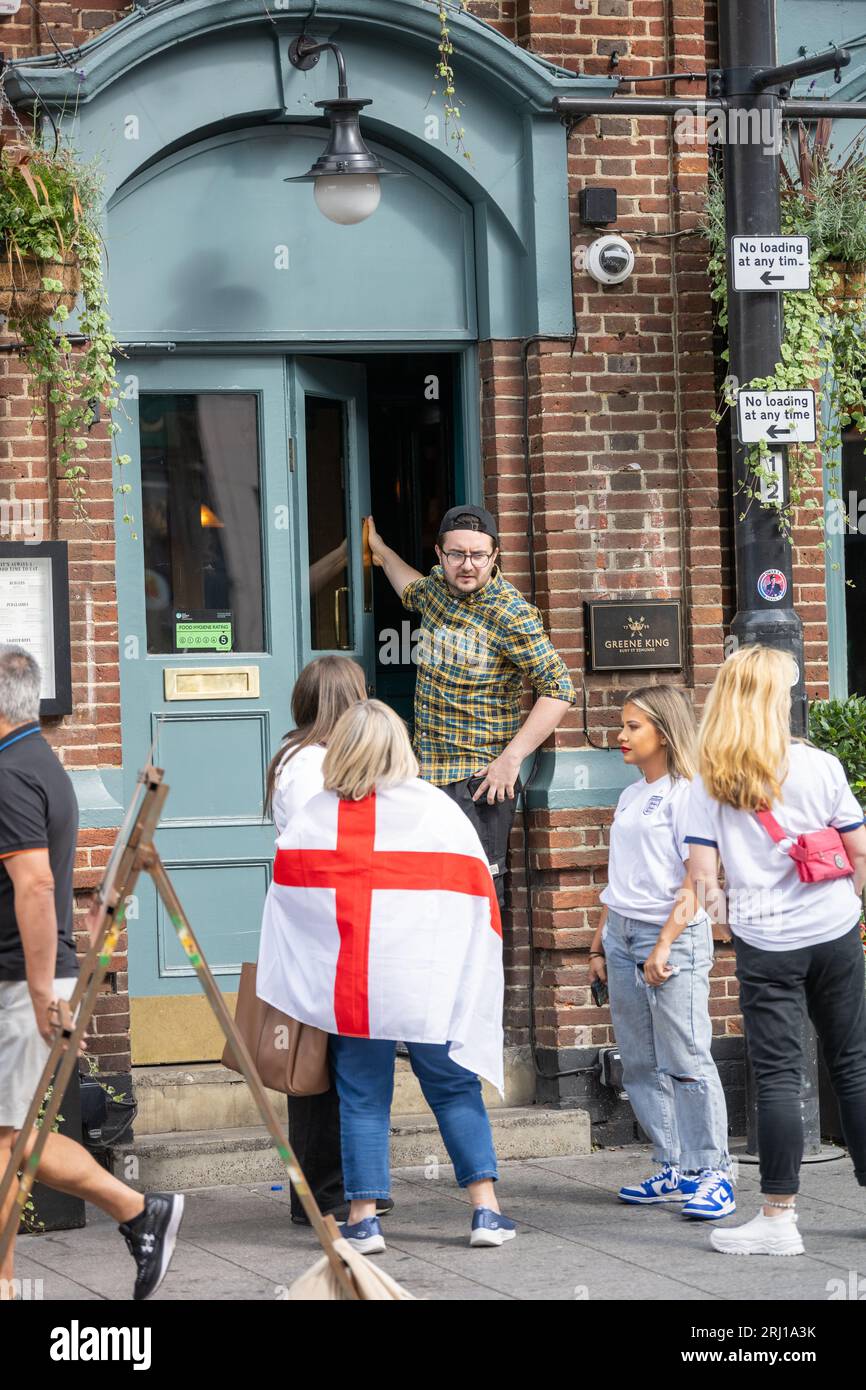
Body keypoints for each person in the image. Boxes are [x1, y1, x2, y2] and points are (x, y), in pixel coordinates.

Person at [257, 699, 515, 1253]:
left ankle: (364, 1217)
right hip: (427, 980)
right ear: (401, 747)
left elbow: (288, 897)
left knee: (362, 1096)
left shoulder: (316, 816)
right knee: (452, 1087)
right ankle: (485, 1212)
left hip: (357, 983)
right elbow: (476, 897)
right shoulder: (439, 812)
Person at [0, 646, 183, 1301]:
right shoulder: (35, 761)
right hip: (25, 980)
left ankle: (136, 1212)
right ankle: (139, 1213)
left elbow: (35, 884)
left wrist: (43, 989)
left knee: (8, 1143)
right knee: (18, 1140)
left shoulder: (11, 774)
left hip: (20, 984)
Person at [685, 645, 866, 1256]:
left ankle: (779, 1217)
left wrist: (732, 925)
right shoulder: (821, 766)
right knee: (854, 1066)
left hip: (767, 944)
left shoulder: (709, 781)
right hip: (835, 932)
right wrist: (852, 910)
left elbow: (704, 881)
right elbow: (859, 851)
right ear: (775, 700)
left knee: (779, 1078)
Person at [365, 505, 576, 909]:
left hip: (478, 784)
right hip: (425, 777)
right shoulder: (437, 592)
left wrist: (511, 760)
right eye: (457, 554)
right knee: (429, 895)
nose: (467, 565)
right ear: (440, 557)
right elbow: (409, 586)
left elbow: (558, 687)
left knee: (476, 897)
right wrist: (381, 551)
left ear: (494, 555)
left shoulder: (511, 613)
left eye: (478, 555)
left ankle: (482, 975)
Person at [589, 686, 734, 1219]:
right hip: (622, 934)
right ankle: (673, 1163)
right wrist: (599, 941)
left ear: (665, 733)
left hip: (668, 936)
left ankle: (713, 1171)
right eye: (622, 725)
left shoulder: (690, 794)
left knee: (687, 1057)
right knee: (641, 1061)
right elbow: (619, 877)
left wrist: (664, 943)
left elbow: (698, 882)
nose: (620, 736)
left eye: (633, 727)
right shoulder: (632, 795)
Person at [262, 654, 394, 1227]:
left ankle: (330, 1188)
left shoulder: (294, 754)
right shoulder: (316, 764)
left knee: (319, 1060)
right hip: (327, 927)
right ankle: (326, 1192)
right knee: (322, 1062)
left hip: (311, 925)